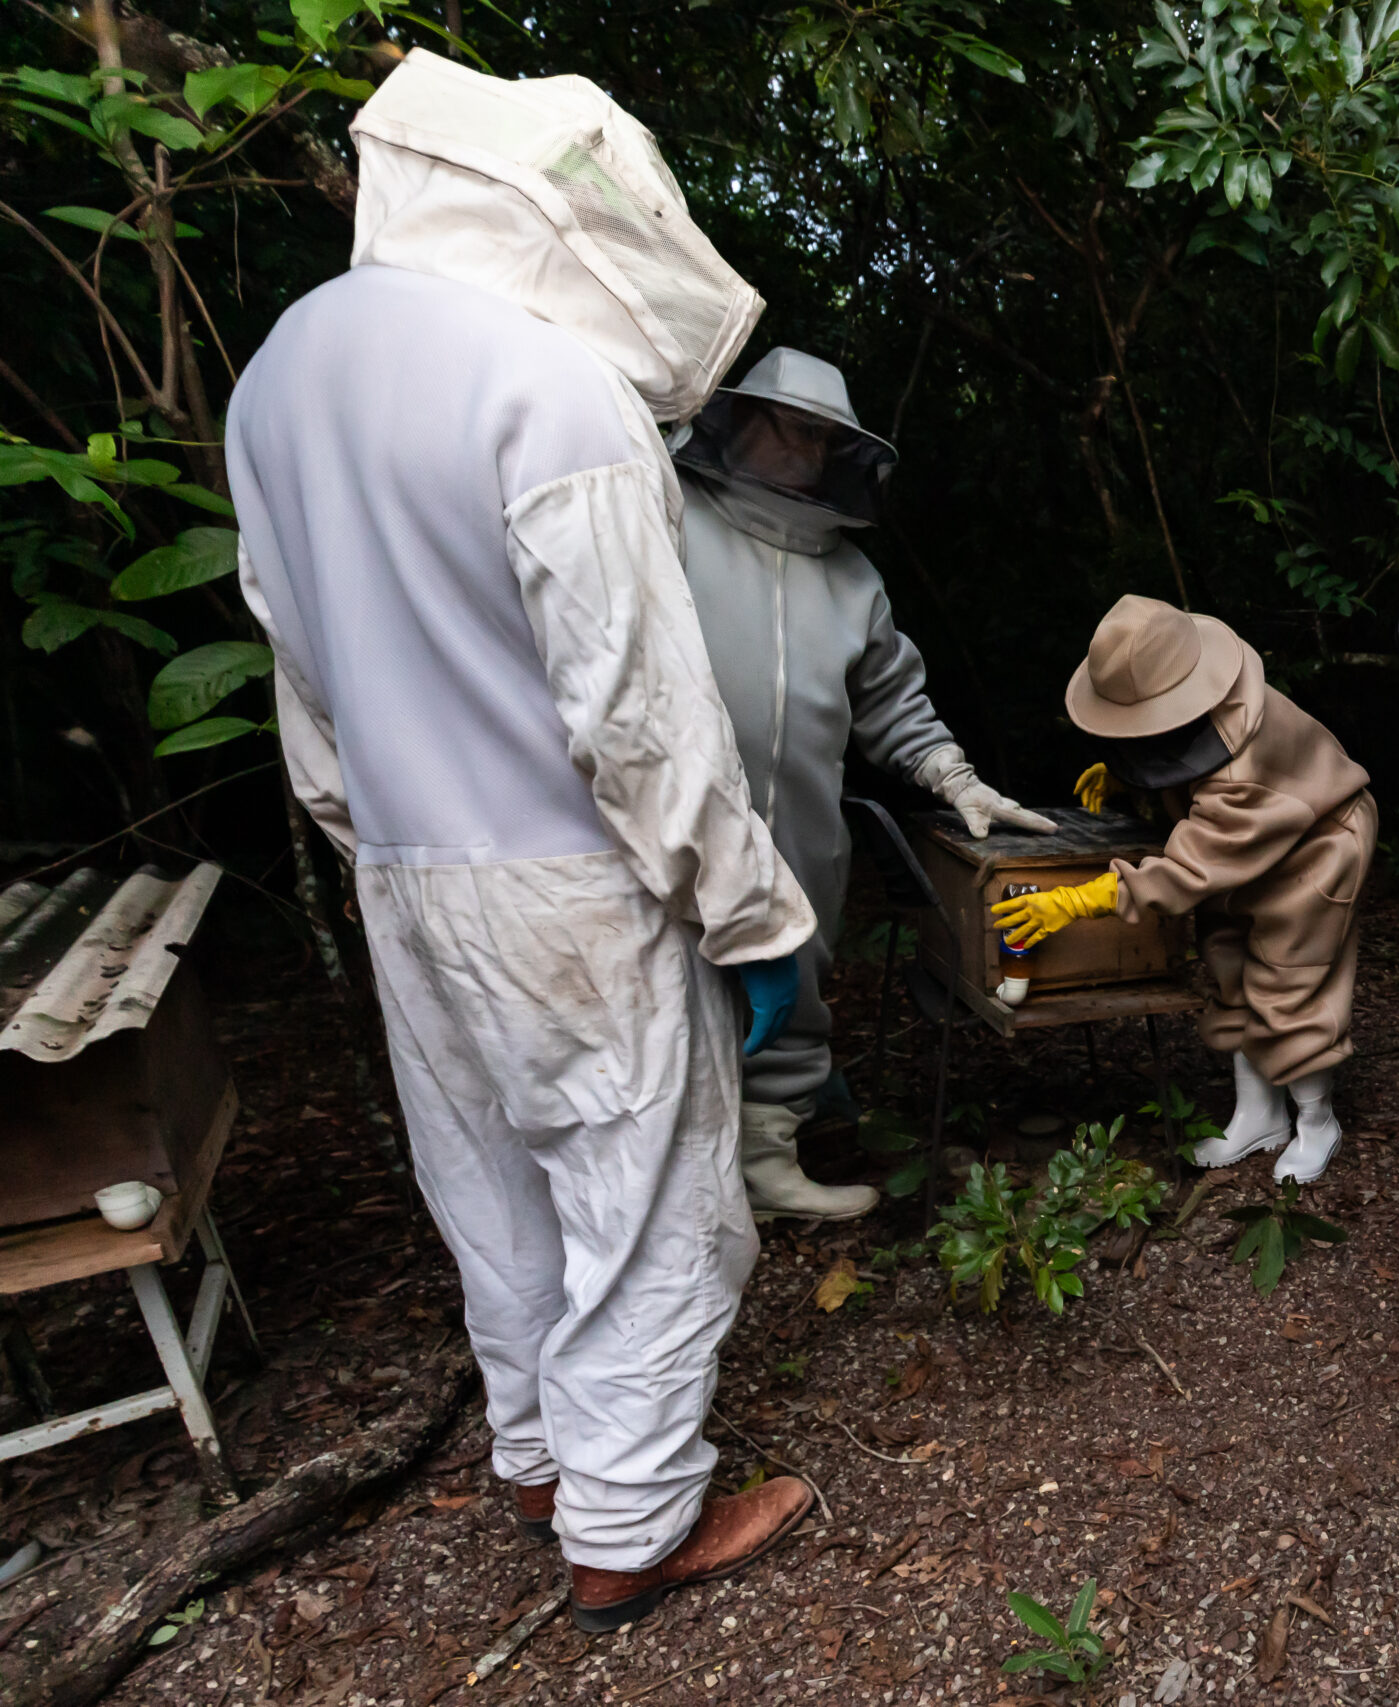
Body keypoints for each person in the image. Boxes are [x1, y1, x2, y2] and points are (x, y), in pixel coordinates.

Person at [228, 48, 818, 1632]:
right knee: (648, 1188)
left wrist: (377, 834)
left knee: (486, 1167)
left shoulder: (282, 368)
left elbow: (296, 655)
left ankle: (551, 1451)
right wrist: (753, 919)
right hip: (568, 877)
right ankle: (631, 1528)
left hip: (407, 868)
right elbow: (642, 720)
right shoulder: (549, 387)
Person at [673, 346, 1054, 1221]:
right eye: (791, 428)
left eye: (823, 438)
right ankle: (672, 1194)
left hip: (801, 833)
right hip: (672, 821)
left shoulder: (851, 576)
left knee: (793, 976)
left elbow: (891, 703)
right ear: (739, 420)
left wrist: (956, 778)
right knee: (664, 984)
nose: (807, 450)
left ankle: (768, 1162)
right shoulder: (670, 522)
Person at [991, 596, 1375, 1183]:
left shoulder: (1241, 775)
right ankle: (1258, 1117)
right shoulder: (1201, 707)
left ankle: (1316, 1121)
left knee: (1288, 984)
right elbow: (1181, 759)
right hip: (1242, 844)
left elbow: (1188, 868)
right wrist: (1128, 777)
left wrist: (1079, 900)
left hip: (1316, 849)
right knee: (1229, 966)